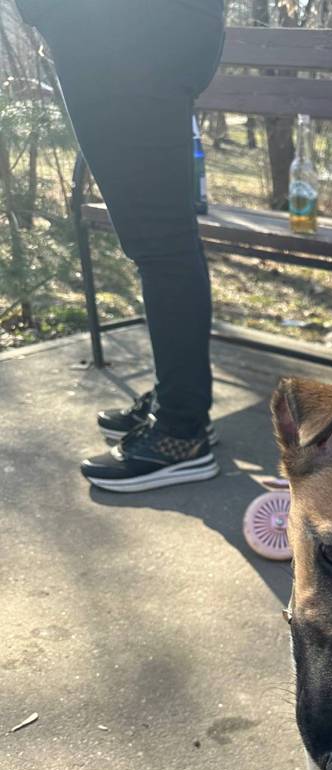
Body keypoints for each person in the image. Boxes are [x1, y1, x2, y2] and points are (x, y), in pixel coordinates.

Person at [16, 0, 225, 491]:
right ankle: (181, 402)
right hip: (126, 29)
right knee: (164, 240)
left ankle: (180, 434)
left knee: (160, 242)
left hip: (120, 31)